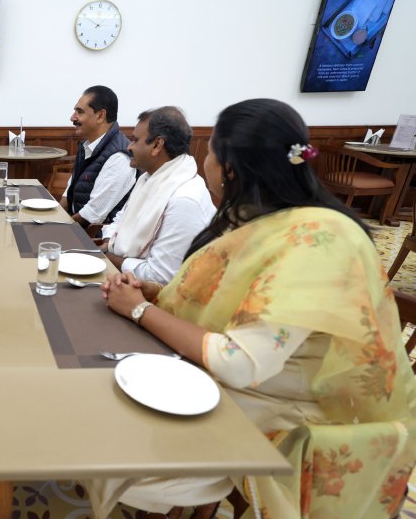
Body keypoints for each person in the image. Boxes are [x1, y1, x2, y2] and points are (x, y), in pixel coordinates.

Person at [88, 99, 416, 519]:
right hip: (257, 383)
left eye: (208, 151)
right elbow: (222, 299)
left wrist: (139, 312)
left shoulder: (319, 243)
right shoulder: (264, 217)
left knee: (115, 432)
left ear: (229, 168)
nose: (201, 161)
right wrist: (153, 293)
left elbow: (240, 362)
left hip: (287, 410)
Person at [99, 107, 215, 284]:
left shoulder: (184, 199)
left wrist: (109, 257)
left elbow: (161, 277)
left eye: (135, 140)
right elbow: (120, 220)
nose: (129, 147)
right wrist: (111, 241)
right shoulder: (150, 177)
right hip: (126, 279)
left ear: (157, 145)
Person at [62, 85, 136, 228]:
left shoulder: (119, 158)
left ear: (101, 115)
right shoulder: (87, 144)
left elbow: (92, 215)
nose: (72, 117)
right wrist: (56, 216)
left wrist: (59, 227)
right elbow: (70, 189)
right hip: (76, 227)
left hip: (94, 239)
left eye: (79, 112)